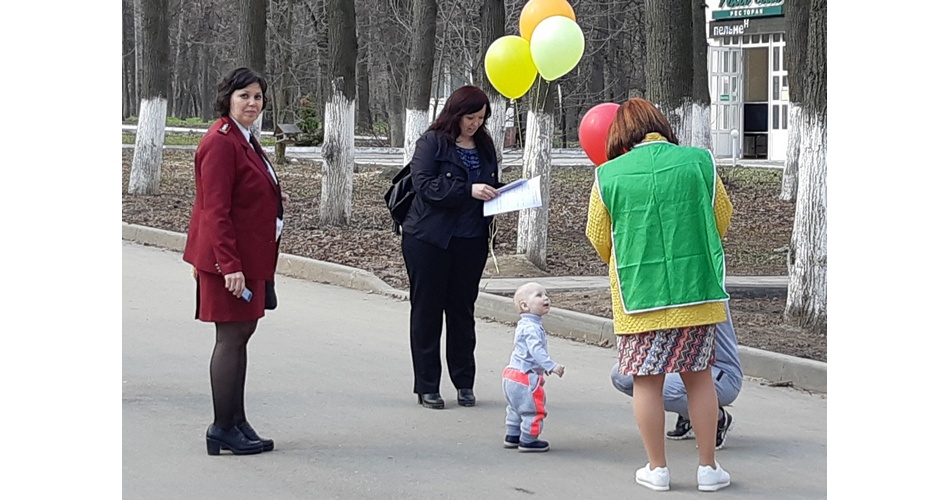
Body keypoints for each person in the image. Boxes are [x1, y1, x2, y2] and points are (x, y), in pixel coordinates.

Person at [585, 97, 733, 492]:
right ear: (660, 126)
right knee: (699, 379)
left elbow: (598, 236)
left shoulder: (607, 175)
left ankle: (658, 469)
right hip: (696, 293)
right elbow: (721, 217)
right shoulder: (699, 162)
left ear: (621, 135)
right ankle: (708, 468)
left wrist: (625, 259)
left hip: (637, 298)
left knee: (646, 381)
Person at [183, 67, 289, 456]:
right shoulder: (220, 142)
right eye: (244, 95)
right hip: (227, 262)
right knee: (230, 338)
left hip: (250, 258)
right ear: (228, 98)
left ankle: (236, 420)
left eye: (258, 96)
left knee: (241, 334)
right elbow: (215, 211)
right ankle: (222, 427)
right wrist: (230, 266)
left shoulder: (245, 138)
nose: (252, 103)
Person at [400, 85, 502, 409]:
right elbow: (425, 185)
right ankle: (427, 385)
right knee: (427, 311)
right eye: (470, 118)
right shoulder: (432, 142)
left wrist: (504, 193)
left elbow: (489, 183)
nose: (475, 124)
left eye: (481, 118)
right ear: (455, 114)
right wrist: (468, 190)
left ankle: (464, 382)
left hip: (471, 240)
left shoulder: (484, 145)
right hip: (429, 238)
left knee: (462, 311)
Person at [609, 302, 742, 450]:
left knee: (658, 385)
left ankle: (717, 419)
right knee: (623, 376)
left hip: (719, 371)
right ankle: (689, 416)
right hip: (681, 362)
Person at [502, 282, 565, 453]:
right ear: (525, 305)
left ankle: (512, 435)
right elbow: (536, 350)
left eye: (546, 294)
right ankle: (528, 440)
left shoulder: (523, 324)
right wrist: (551, 366)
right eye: (538, 295)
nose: (546, 298)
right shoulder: (533, 328)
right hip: (526, 377)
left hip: (511, 374)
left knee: (515, 408)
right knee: (533, 411)